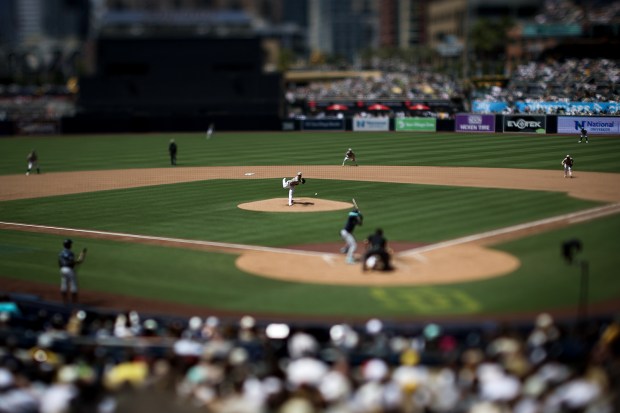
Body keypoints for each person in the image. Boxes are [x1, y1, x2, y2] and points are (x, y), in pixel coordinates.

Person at [58, 239, 87, 304]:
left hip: (62, 269)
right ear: (69, 245)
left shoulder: (61, 253)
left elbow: (59, 262)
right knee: (74, 286)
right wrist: (79, 261)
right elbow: (71, 262)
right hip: (69, 270)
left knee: (64, 285)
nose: (71, 245)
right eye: (71, 244)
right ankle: (74, 302)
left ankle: (64, 301)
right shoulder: (70, 253)